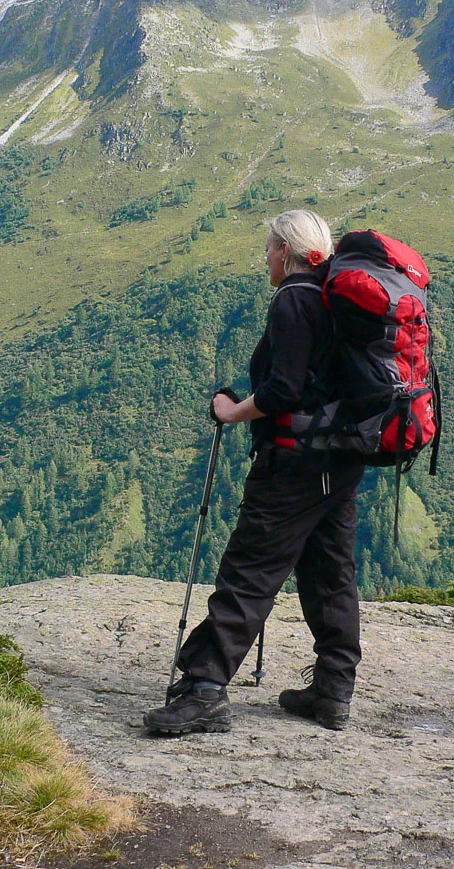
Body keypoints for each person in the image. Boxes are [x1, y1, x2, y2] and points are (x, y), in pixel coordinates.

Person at [143, 208, 366, 736]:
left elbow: (284, 391)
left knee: (250, 569)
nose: (265, 257)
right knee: (330, 572)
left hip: (294, 463)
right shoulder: (337, 300)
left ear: (284, 252)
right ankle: (333, 692)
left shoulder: (293, 299)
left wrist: (232, 411)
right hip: (341, 459)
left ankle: (204, 690)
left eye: (268, 248)